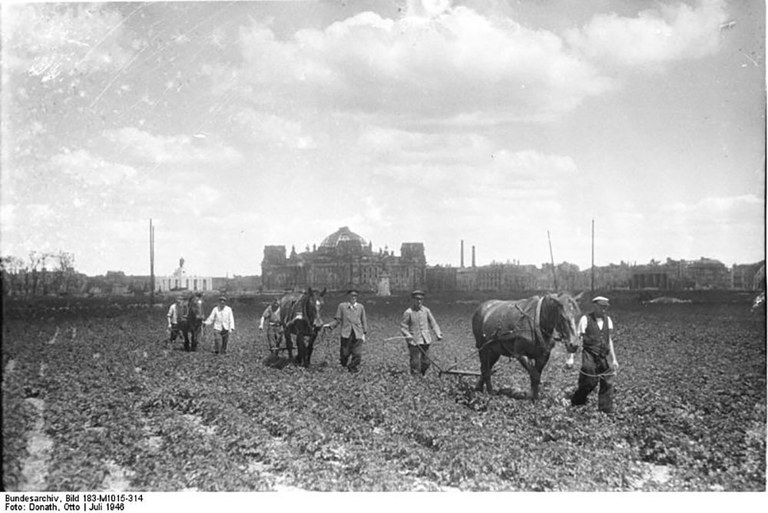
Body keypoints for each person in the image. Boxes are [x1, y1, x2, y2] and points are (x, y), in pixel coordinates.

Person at [570, 296, 619, 414]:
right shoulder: (585, 319)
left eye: (605, 307)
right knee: (589, 381)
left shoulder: (608, 320)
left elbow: (609, 340)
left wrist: (614, 359)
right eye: (601, 307)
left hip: (603, 354)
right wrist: (571, 357)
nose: (604, 309)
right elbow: (578, 339)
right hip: (589, 354)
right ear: (595, 306)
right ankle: (577, 401)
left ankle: (606, 410)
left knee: (607, 381)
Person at [323, 289, 369, 373]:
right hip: (346, 333)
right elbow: (338, 320)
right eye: (352, 296)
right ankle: (343, 365)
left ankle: (352, 367)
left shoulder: (360, 307)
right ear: (348, 296)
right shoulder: (342, 306)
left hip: (358, 333)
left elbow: (363, 320)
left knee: (357, 354)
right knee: (345, 353)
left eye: (355, 296)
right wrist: (329, 325)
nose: (353, 297)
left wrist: (364, 332)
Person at [399, 290, 442, 376]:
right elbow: (403, 327)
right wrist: (408, 335)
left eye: (421, 299)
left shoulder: (426, 311)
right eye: (417, 299)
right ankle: (415, 378)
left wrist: (438, 333)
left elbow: (433, 323)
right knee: (415, 362)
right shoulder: (408, 312)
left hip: (426, 339)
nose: (419, 301)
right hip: (414, 341)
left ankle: (422, 374)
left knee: (426, 361)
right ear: (413, 300)